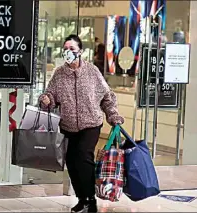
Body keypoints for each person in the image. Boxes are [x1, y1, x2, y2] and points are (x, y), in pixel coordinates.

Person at [39, 34, 124, 213]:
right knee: (71, 161)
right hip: (68, 125)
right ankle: (81, 198)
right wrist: (46, 100)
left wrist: (113, 117)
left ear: (80, 52)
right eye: (65, 49)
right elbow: (50, 95)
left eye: (72, 49)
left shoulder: (92, 72)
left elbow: (107, 97)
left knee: (83, 157)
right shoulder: (59, 74)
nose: (68, 52)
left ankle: (90, 201)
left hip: (91, 123)